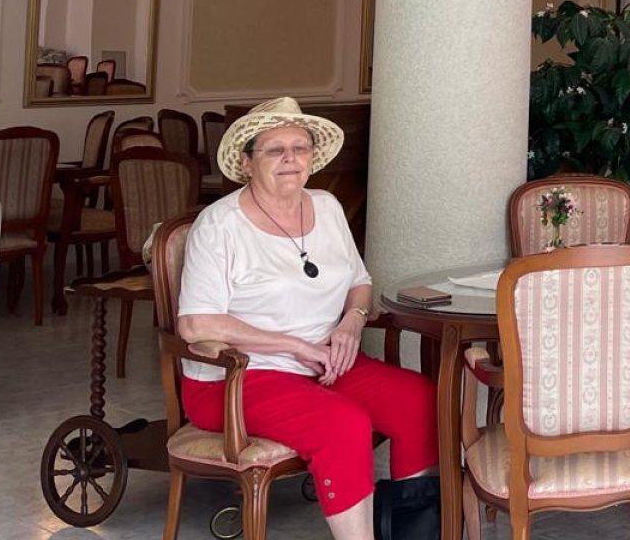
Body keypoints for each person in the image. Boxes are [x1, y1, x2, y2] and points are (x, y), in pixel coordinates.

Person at [176, 97, 439, 540]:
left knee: (419, 402)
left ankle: (413, 534)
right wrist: (295, 345)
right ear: (247, 162)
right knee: (343, 424)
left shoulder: (327, 207)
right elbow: (195, 325)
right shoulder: (219, 225)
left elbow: (360, 282)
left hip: (325, 366)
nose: (290, 159)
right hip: (239, 379)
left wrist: (351, 322)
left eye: (300, 148)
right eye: (275, 150)